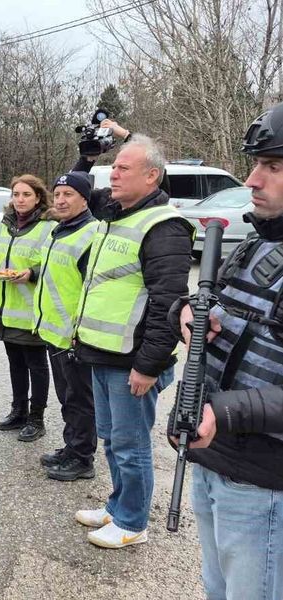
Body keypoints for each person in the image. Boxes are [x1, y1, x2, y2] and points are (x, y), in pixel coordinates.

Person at [168, 103, 283, 599]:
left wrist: (228, 411)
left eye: (273, 167)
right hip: (216, 459)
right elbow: (222, 309)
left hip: (264, 479)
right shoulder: (256, 243)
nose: (252, 179)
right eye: (256, 163)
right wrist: (186, 312)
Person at [71, 134, 194, 548]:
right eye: (114, 166)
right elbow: (81, 191)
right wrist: (87, 159)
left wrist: (149, 365)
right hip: (103, 354)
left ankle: (132, 523)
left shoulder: (164, 226)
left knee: (131, 445)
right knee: (112, 439)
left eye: (124, 167)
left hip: (132, 362)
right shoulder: (118, 212)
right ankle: (117, 505)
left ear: (152, 176)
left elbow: (169, 305)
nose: (115, 173)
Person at [32, 172, 98, 481]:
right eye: (57, 194)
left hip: (74, 335)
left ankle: (82, 458)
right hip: (54, 331)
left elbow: (92, 289)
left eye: (68, 194)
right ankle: (72, 447)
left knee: (80, 399)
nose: (60, 200)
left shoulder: (90, 233)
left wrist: (78, 331)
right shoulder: (60, 230)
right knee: (67, 396)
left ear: (85, 198)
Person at [0, 175, 55, 442]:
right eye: (16, 194)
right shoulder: (1, 226)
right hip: (6, 309)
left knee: (36, 365)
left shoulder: (48, 227)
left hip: (32, 311)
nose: (20, 199)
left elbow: (53, 263)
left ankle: (37, 418)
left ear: (38, 197)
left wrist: (32, 272)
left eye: (26, 194)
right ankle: (18, 411)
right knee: (15, 363)